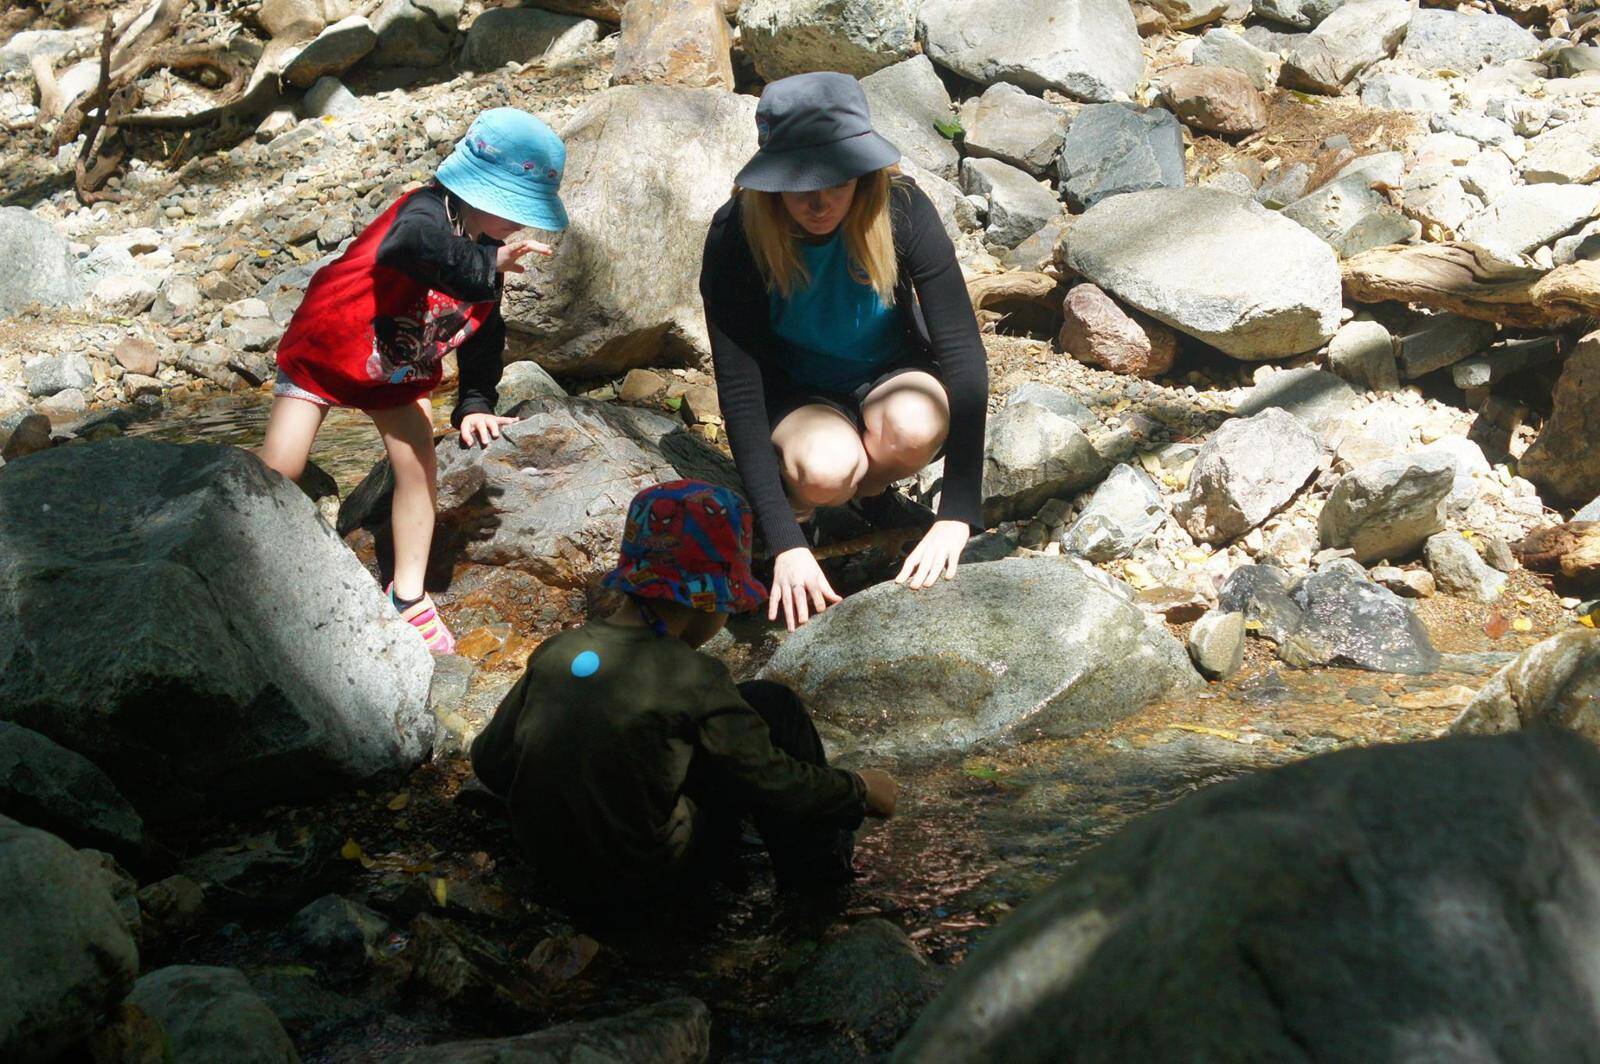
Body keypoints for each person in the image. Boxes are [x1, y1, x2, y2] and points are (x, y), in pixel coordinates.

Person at [470, 479, 899, 915]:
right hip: (647, 884)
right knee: (772, 705)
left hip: (549, 871)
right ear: (709, 600)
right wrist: (858, 789)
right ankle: (821, 886)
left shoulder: (558, 652)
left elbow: (489, 761)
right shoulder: (697, 676)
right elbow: (775, 783)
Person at [259, 108, 568, 653]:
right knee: (282, 468)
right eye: (510, 208)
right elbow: (408, 247)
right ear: (473, 189)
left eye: (524, 214)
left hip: (390, 371)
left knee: (418, 470)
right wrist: (486, 258)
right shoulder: (423, 211)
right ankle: (230, 531)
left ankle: (408, 595)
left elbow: (485, 333)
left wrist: (475, 401)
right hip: (327, 349)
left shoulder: (485, 262)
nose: (518, 223)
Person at [700, 71, 989, 632]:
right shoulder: (735, 235)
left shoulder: (902, 207)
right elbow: (738, 393)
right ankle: (814, 514)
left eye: (837, 180)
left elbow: (961, 353)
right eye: (798, 183)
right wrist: (783, 539)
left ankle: (872, 497)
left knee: (913, 426)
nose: (819, 201)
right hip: (799, 395)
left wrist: (959, 510)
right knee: (827, 470)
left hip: (891, 374)